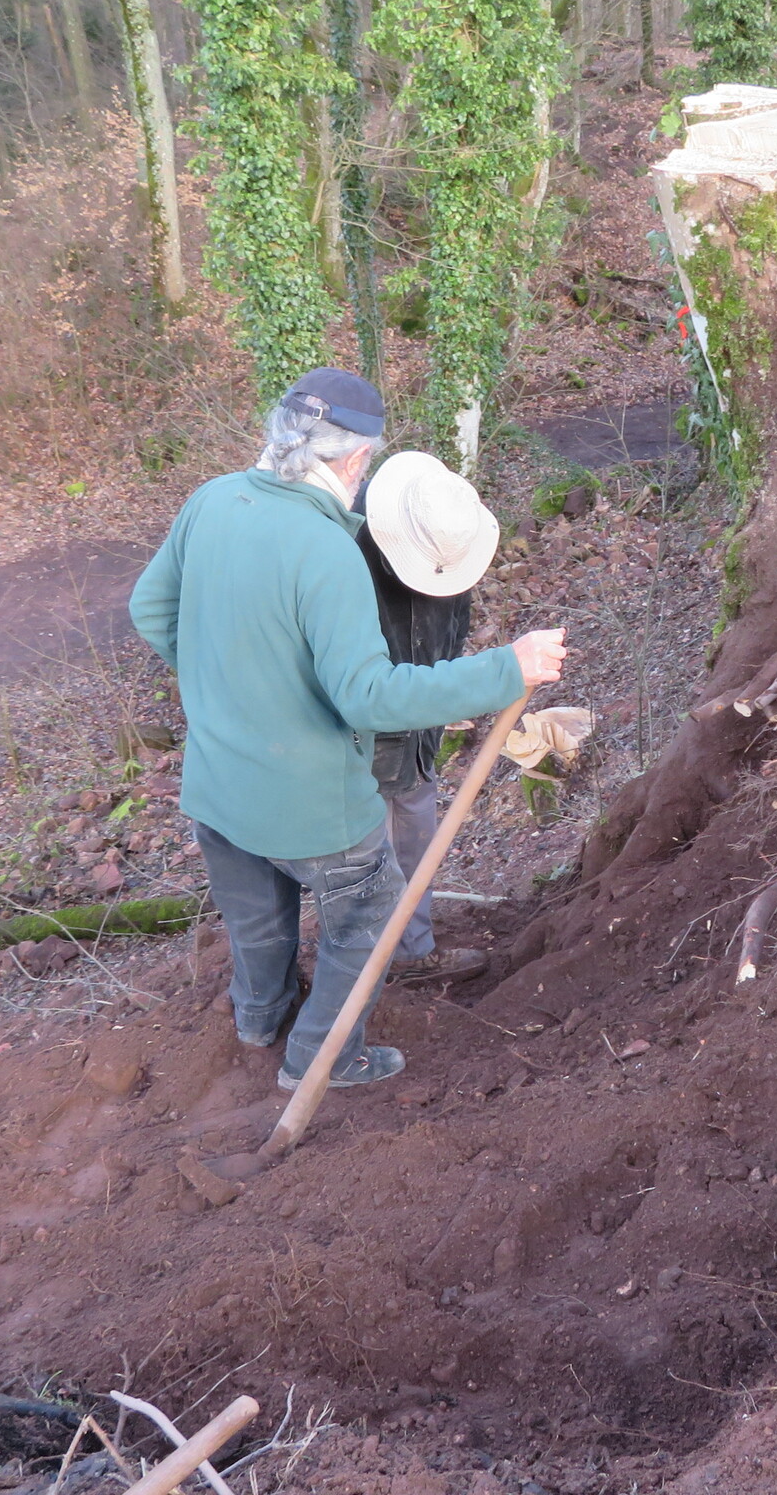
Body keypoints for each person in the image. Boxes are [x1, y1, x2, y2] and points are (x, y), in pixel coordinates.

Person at [129, 369, 566, 1091]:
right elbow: (367, 696)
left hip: (217, 786)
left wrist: (232, 688)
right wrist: (505, 668)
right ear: (357, 459)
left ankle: (260, 1019)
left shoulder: (211, 500)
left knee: (257, 923)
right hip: (313, 806)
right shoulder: (325, 549)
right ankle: (321, 1058)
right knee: (368, 915)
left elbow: (151, 610)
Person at [353, 448, 503, 985]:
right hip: (359, 743)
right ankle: (360, 972)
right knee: (361, 860)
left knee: (415, 842)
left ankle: (410, 952)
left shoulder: (450, 546)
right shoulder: (342, 554)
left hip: (418, 741)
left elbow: (449, 638)